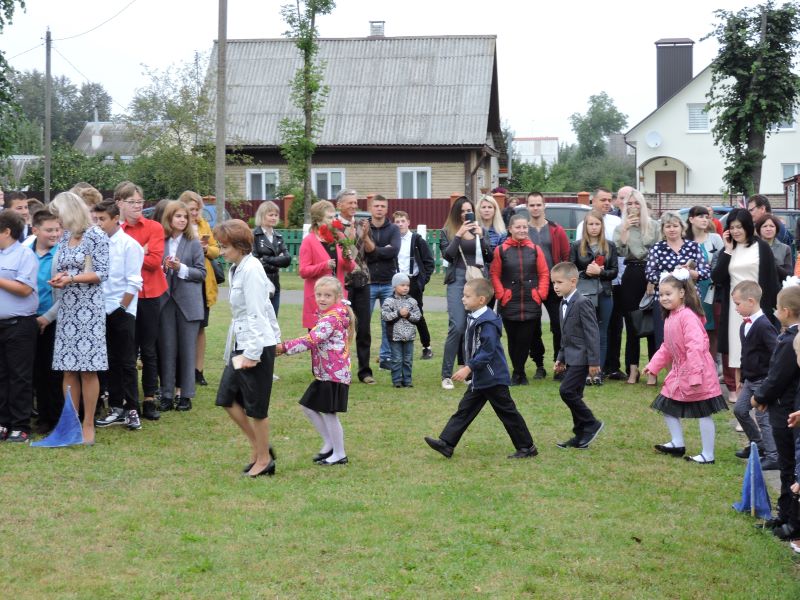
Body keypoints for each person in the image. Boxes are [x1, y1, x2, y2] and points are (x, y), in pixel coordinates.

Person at [423, 277, 538, 460]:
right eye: (463, 295)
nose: (463, 298)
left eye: (467, 296)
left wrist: (468, 367)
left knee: (507, 412)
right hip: (481, 376)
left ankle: (527, 447)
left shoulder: (488, 322)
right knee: (465, 409)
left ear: (481, 300)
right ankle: (446, 444)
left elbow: (487, 351)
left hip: (493, 377)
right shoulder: (475, 317)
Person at [214, 219, 280, 478]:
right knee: (226, 397)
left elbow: (257, 312)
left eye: (225, 246)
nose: (221, 251)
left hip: (255, 347)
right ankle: (260, 447)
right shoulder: (237, 268)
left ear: (240, 246)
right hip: (242, 343)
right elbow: (265, 304)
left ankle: (264, 460)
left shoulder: (251, 269)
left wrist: (254, 353)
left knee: (256, 407)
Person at [644, 271, 726, 464]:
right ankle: (677, 443)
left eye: (668, 294)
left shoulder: (687, 317)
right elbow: (667, 346)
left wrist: (695, 375)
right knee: (666, 405)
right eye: (661, 294)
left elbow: (695, 347)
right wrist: (654, 365)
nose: (664, 298)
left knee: (703, 412)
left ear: (681, 293)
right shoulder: (670, 317)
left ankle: (708, 454)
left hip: (697, 371)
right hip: (680, 371)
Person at [48, 191, 110, 446]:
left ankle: (88, 424)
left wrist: (71, 279)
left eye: (58, 215)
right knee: (69, 367)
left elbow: (102, 273)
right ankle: (70, 423)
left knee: (88, 369)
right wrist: (61, 278)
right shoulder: (66, 236)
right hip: (68, 307)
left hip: (89, 309)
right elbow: (66, 267)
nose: (57, 222)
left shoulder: (96, 235)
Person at [278, 276, 353, 466]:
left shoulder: (331, 319)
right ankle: (330, 444)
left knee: (329, 413)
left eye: (327, 295)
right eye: (319, 294)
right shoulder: (332, 314)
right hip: (326, 372)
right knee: (308, 407)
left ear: (337, 297)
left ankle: (339, 454)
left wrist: (284, 347)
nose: (322, 299)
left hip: (333, 373)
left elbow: (311, 340)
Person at [711, 208, 779, 404]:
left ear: (748, 226)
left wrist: (772, 310)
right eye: (732, 227)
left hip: (758, 307)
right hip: (735, 308)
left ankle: (757, 393)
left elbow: (771, 281)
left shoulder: (761, 247)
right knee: (736, 350)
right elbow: (717, 277)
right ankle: (737, 391)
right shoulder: (730, 249)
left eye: (739, 227)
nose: (735, 231)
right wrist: (727, 250)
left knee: (757, 350)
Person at [90, 201, 144, 431]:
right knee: (109, 360)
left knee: (127, 361)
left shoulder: (129, 245)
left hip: (121, 310)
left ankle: (132, 409)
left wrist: (122, 308)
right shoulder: (95, 243)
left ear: (115, 219)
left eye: (102, 219)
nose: (98, 224)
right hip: (99, 309)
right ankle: (115, 407)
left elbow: (134, 281)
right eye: (95, 219)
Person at [116, 181, 167, 421]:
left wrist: (132, 253)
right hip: (125, 295)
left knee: (148, 348)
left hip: (150, 294)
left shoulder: (154, 227)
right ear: (119, 203)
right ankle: (127, 399)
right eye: (132, 202)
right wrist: (141, 250)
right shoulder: (115, 229)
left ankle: (149, 398)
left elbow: (155, 262)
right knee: (126, 349)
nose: (137, 206)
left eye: (140, 202)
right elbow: (114, 264)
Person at [752, 286, 800, 541]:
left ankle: (792, 519)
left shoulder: (791, 341)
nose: (774, 311)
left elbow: (778, 376)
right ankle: (784, 513)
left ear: (786, 311)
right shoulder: (789, 337)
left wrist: (760, 397)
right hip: (786, 406)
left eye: (777, 308)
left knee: (788, 465)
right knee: (788, 465)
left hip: (786, 410)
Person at [645, 211, 710, 384]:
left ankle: (691, 372)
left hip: (690, 298)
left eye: (675, 226)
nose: (672, 229)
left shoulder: (693, 246)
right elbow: (650, 273)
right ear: (663, 229)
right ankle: (671, 376)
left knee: (690, 337)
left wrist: (689, 273)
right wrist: (672, 276)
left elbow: (705, 272)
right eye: (668, 226)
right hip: (665, 299)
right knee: (667, 337)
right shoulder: (657, 248)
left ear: (682, 228)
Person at [439, 196, 493, 390]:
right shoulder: (447, 231)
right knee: (458, 326)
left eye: (468, 210)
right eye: (462, 211)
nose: (465, 214)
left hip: (477, 280)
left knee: (474, 326)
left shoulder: (480, 230)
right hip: (457, 279)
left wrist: (481, 237)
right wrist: (459, 235)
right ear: (456, 213)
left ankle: (470, 372)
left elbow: (489, 256)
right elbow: (447, 255)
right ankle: (446, 375)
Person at [157, 200, 206, 413]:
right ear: (169, 218)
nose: (183, 220)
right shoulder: (161, 241)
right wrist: (163, 267)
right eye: (178, 216)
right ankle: (167, 395)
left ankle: (186, 395)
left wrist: (181, 268)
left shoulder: (193, 243)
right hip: (166, 301)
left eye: (185, 217)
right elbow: (153, 268)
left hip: (188, 303)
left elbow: (201, 273)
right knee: (167, 349)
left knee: (187, 350)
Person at [490, 212, 550, 385]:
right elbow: (495, 274)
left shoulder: (535, 249)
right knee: (513, 339)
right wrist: (501, 294)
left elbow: (544, 273)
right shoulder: (501, 250)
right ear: (510, 229)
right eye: (518, 227)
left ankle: (519, 372)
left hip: (531, 302)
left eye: (525, 227)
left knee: (525, 340)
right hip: (509, 302)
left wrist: (540, 294)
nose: (522, 230)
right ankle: (518, 373)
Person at [551, 262, 604, 449]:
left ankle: (592, 423)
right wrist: (561, 358)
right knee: (574, 394)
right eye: (553, 283)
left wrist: (594, 362)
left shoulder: (582, 302)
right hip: (571, 357)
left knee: (566, 391)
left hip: (582, 358)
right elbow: (566, 336)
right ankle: (581, 435)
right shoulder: (562, 304)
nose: (555, 286)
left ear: (573, 282)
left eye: (559, 282)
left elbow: (592, 333)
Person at [729, 281, 779, 470]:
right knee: (740, 410)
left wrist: (770, 382)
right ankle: (758, 445)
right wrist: (742, 379)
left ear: (751, 301)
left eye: (738, 304)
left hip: (762, 380)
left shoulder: (764, 325)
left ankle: (773, 456)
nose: (736, 308)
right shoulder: (745, 325)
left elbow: (776, 353)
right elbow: (746, 355)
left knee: (763, 417)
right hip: (750, 380)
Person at [614, 190, 660, 384]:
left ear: (642, 204)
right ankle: (632, 370)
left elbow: (658, 252)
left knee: (652, 325)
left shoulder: (654, 226)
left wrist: (653, 280)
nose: (633, 207)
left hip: (651, 274)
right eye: (629, 203)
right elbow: (621, 251)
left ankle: (652, 371)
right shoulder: (621, 227)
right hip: (631, 274)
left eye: (636, 203)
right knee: (632, 326)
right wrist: (625, 229)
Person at [0, 211, 39, 443]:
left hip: (19, 325)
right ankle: (3, 422)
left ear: (6, 232)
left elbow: (25, 289)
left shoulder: (25, 255)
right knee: (1, 375)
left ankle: (20, 425)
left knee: (19, 376)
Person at [24, 208, 64, 434]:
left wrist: (47, 318)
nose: (55, 234)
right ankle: (41, 415)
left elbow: (65, 294)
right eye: (49, 230)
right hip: (28, 318)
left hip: (53, 318)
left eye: (57, 229)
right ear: (35, 230)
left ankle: (54, 417)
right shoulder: (25, 252)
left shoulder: (62, 254)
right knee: (36, 370)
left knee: (53, 371)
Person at [570, 210, 619, 385]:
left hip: (604, 293)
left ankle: (598, 372)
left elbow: (614, 271)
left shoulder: (610, 246)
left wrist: (600, 272)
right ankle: (584, 371)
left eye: (597, 224)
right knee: (584, 333)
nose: (594, 227)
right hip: (584, 295)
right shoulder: (576, 246)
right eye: (590, 224)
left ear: (602, 226)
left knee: (602, 333)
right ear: (585, 226)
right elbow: (571, 270)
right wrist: (586, 272)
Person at [525, 192, 570, 379]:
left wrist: (563, 281)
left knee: (558, 326)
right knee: (533, 327)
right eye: (532, 205)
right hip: (531, 286)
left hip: (553, 286)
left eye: (538, 204)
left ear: (545, 206)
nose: (535, 208)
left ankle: (559, 365)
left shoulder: (556, 229)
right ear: (527, 207)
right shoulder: (523, 229)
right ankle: (539, 365)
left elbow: (566, 257)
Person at [179, 191, 220, 388]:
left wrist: (205, 249)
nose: (195, 213)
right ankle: (183, 370)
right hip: (185, 281)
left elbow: (216, 250)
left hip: (203, 282)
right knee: (183, 329)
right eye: (191, 209)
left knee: (201, 328)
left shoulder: (204, 225)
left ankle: (199, 370)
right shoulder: (179, 226)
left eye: (197, 209)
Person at [298, 200, 354, 330]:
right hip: (319, 299)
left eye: (334, 217)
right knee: (318, 338)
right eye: (329, 217)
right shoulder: (309, 241)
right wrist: (324, 265)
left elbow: (350, 267)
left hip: (337, 298)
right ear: (318, 221)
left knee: (338, 338)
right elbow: (303, 271)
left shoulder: (339, 237)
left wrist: (348, 259)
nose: (333, 220)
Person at [335, 190, 373, 383]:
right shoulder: (333, 226)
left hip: (363, 280)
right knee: (342, 328)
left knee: (364, 328)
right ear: (339, 205)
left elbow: (371, 250)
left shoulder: (361, 224)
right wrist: (348, 238)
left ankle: (365, 372)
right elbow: (342, 254)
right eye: (349, 202)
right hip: (343, 283)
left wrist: (365, 236)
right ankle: (341, 369)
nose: (353, 206)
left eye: (355, 202)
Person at [363, 195, 401, 371]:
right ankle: (363, 361)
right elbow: (362, 252)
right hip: (368, 282)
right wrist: (382, 250)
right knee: (363, 323)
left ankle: (385, 358)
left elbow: (394, 251)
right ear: (371, 208)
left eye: (382, 206)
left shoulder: (393, 229)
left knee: (388, 322)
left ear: (387, 209)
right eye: (376, 205)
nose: (379, 209)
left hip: (387, 282)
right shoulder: (364, 227)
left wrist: (373, 250)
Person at [393, 210, 435, 359]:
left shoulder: (417, 240)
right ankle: (397, 349)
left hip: (413, 281)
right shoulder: (393, 240)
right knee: (396, 315)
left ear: (408, 222)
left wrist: (422, 282)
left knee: (417, 315)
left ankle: (426, 347)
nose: (400, 224)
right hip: (396, 281)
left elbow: (429, 262)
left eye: (402, 221)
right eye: (397, 222)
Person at [685, 206, 725, 356]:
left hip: (710, 287)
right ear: (691, 219)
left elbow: (722, 261)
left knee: (711, 327)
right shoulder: (684, 240)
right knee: (692, 326)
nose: (704, 220)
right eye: (700, 216)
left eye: (706, 217)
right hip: (689, 288)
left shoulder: (715, 238)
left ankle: (712, 362)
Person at [381, 272, 421, 387]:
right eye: (402, 285)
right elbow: (385, 316)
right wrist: (398, 313)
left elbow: (418, 317)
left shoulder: (412, 301)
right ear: (394, 286)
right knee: (397, 359)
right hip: (395, 336)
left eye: (407, 285)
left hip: (409, 336)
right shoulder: (389, 301)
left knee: (408, 359)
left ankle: (407, 380)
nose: (405, 288)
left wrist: (408, 315)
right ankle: (396, 381)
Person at [252, 200, 291, 316]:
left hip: (275, 282)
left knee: (273, 317)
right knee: (260, 317)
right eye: (270, 215)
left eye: (276, 215)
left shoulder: (278, 236)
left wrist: (266, 259)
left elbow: (287, 259)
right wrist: (277, 260)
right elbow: (254, 261)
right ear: (262, 215)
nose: (274, 218)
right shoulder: (254, 235)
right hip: (260, 281)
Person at [756, 214, 793, 281]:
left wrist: (771, 262)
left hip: (778, 285)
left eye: (772, 226)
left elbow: (788, 274)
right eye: (764, 226)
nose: (768, 229)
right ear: (759, 229)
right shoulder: (753, 247)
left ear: (776, 229)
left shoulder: (785, 248)